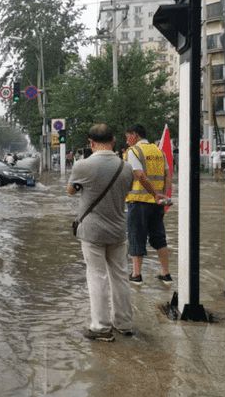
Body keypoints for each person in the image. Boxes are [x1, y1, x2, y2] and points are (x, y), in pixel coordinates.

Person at [67, 123, 134, 342]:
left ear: (91, 143)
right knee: (120, 275)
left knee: (97, 276)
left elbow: (70, 191)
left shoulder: (82, 166)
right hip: (118, 229)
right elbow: (126, 191)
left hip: (92, 231)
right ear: (113, 140)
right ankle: (123, 323)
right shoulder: (126, 167)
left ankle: (101, 327)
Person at [124, 124, 172, 285]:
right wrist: (163, 196)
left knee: (136, 236)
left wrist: (154, 193)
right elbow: (168, 175)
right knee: (159, 237)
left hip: (139, 202)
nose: (126, 140)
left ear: (135, 135)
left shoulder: (133, 151)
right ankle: (166, 274)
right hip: (157, 203)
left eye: (127, 136)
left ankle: (136, 275)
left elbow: (139, 175)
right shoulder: (159, 151)